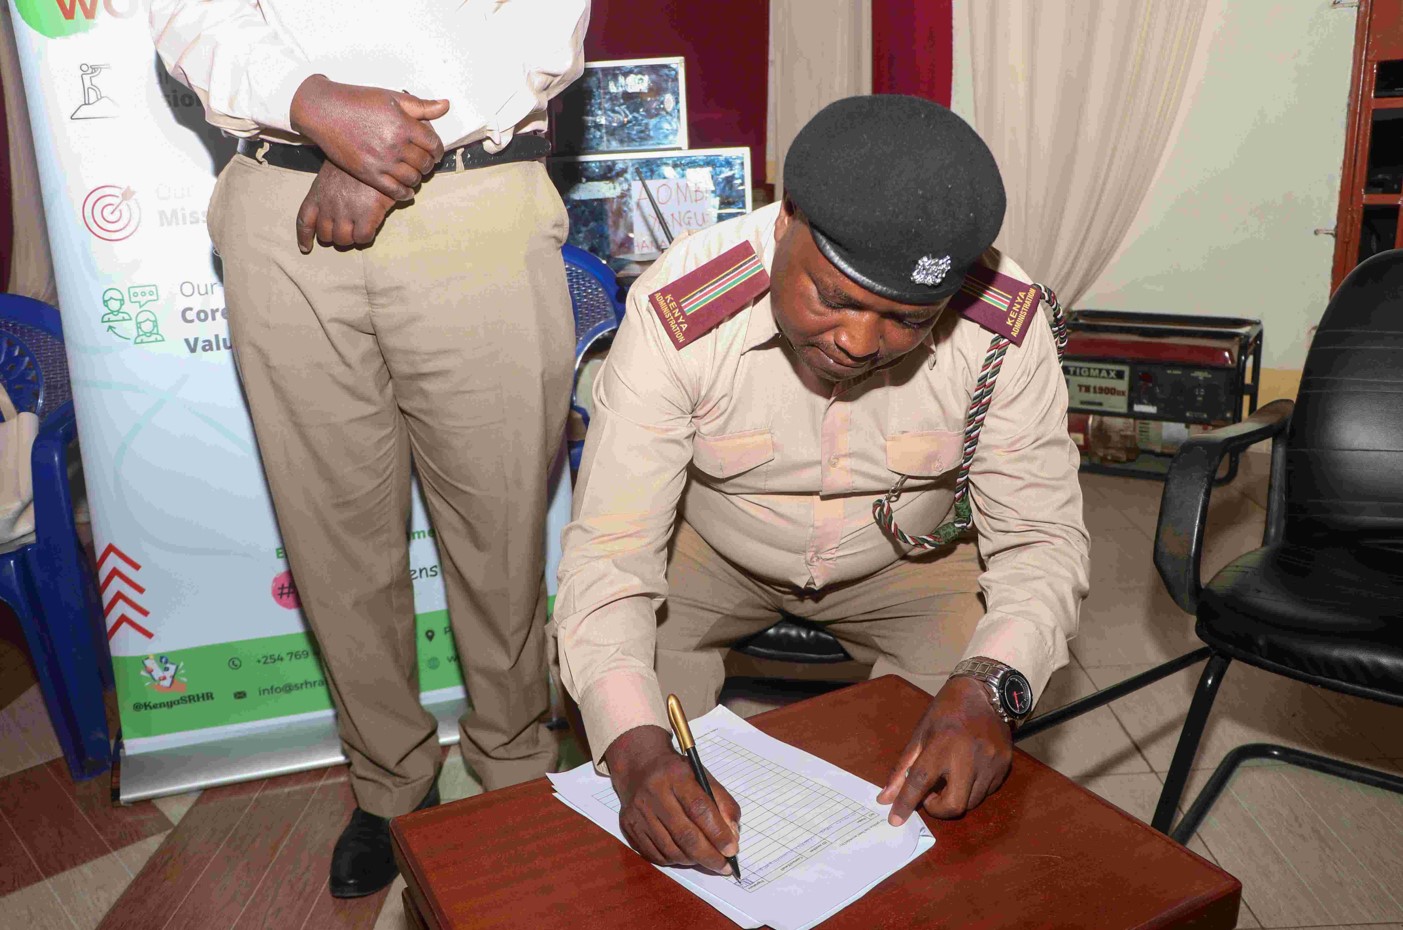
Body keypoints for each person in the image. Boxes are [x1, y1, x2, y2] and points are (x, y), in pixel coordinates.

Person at [552, 95, 1089, 875]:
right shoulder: (682, 311)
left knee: (945, 795)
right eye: (835, 298)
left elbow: (1039, 542)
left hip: (908, 562)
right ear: (785, 220)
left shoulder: (1003, 328)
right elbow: (609, 552)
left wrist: (989, 686)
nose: (859, 341)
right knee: (646, 774)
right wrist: (633, 748)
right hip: (707, 551)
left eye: (907, 319)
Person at [150, 0, 589, 897]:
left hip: (471, 185)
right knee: (331, 532)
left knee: (499, 523)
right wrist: (307, 100)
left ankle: (514, 768)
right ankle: (391, 784)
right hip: (280, 196)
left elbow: (540, 20)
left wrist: (379, 149)